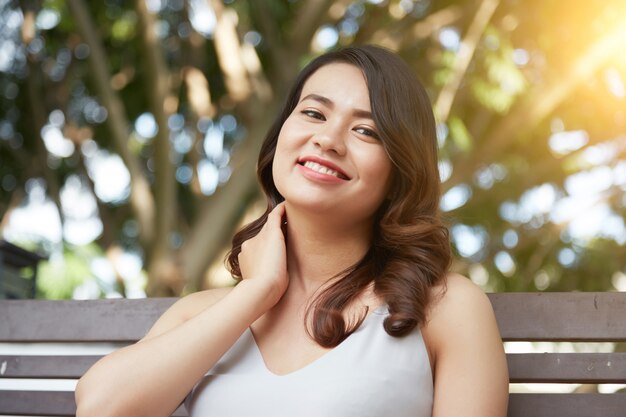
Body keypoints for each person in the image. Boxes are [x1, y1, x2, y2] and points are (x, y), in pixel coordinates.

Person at [75, 45, 508, 417]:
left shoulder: (446, 309)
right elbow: (100, 408)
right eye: (314, 113)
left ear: (401, 172)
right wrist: (257, 292)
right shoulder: (205, 312)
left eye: (365, 130)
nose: (328, 139)